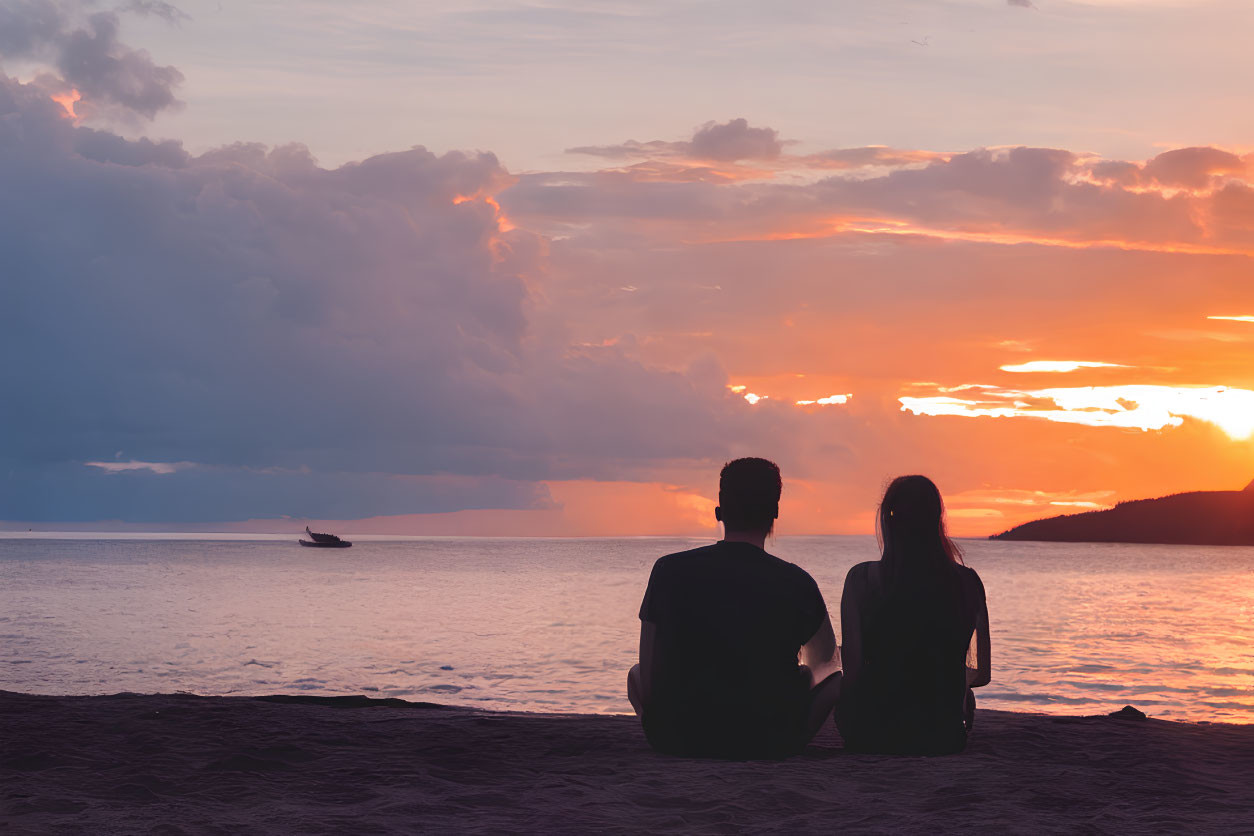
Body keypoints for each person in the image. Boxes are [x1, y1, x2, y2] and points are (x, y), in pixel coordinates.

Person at [627, 457, 842, 758]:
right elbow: (826, 666)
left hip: (677, 738)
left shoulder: (667, 570)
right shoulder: (796, 582)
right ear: (775, 513)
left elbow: (648, 666)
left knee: (635, 674)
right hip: (767, 741)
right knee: (834, 681)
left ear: (719, 512)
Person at [835, 475, 991, 755]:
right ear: (937, 519)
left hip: (872, 733)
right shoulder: (968, 582)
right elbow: (981, 674)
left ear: (888, 519)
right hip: (943, 736)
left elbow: (854, 668)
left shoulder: (863, 579)